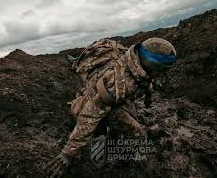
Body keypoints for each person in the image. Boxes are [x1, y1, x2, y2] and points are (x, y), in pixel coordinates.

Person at [44, 37, 177, 177]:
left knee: (130, 114)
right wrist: (67, 155)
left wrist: (148, 97)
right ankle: (109, 151)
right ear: (154, 67)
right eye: (161, 70)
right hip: (101, 100)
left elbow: (146, 80)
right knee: (138, 134)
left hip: (108, 92)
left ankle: (110, 135)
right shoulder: (118, 85)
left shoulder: (134, 59)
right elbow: (90, 116)